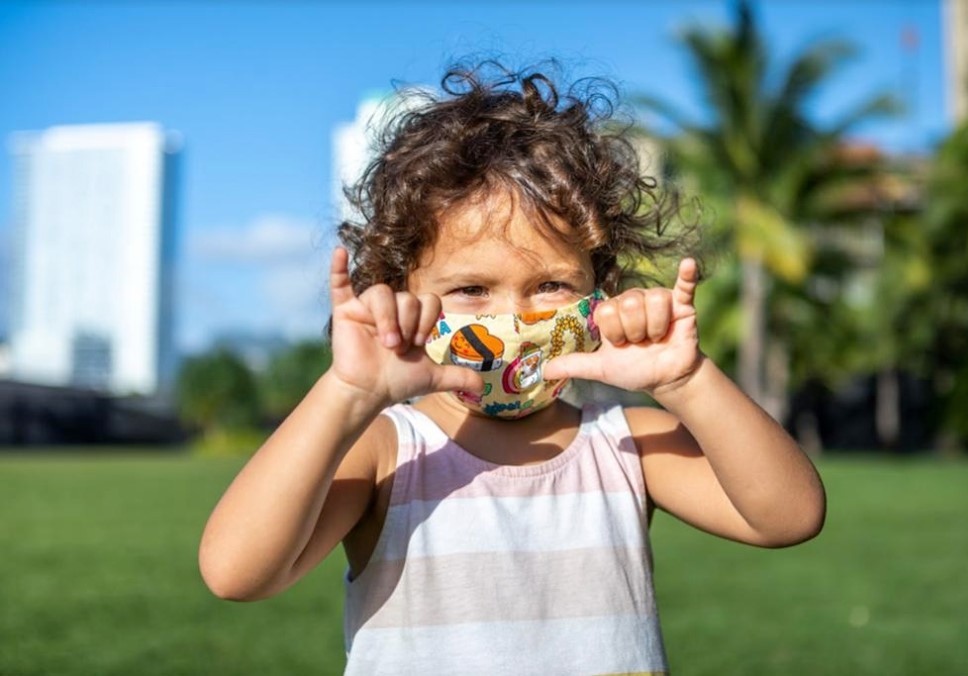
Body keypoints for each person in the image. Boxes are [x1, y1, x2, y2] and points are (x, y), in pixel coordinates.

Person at [199, 62, 826, 676]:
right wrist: (345, 393)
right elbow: (237, 573)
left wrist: (686, 383)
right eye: (471, 289)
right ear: (399, 290)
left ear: (598, 292)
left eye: (551, 284)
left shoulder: (623, 443)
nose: (515, 321)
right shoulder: (388, 450)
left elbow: (788, 517)